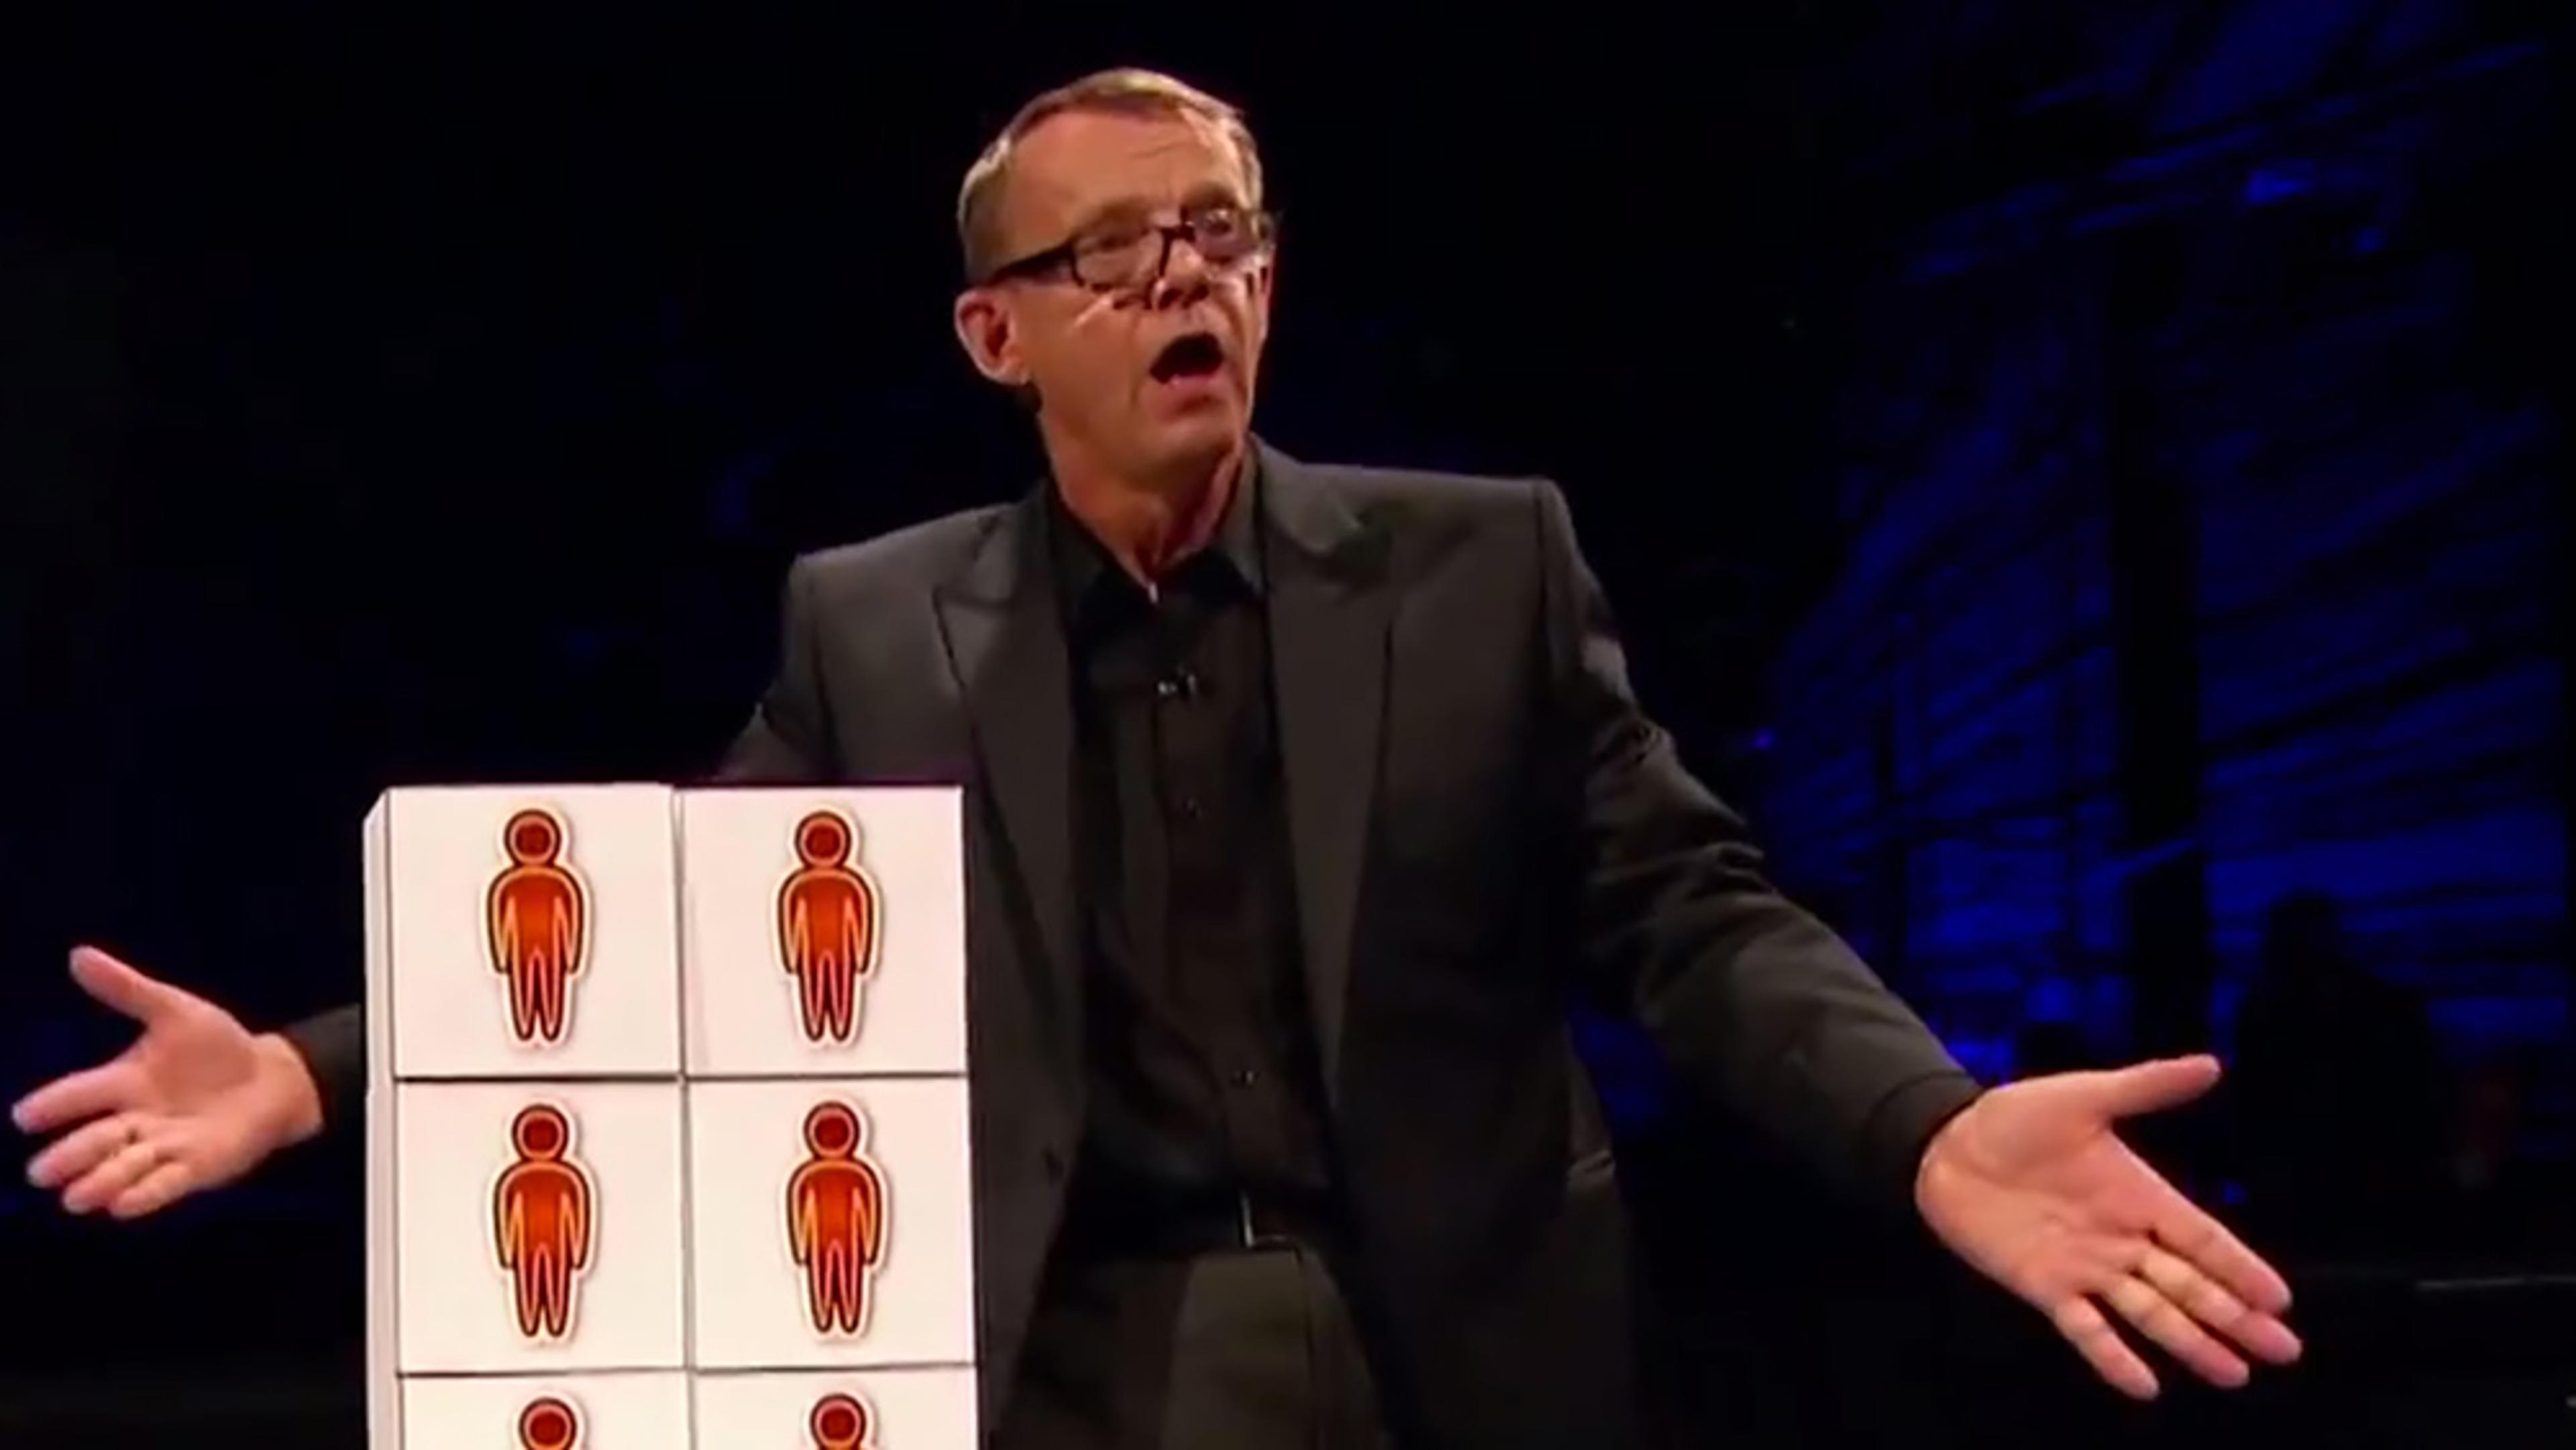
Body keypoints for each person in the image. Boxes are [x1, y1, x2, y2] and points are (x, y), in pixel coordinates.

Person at [11, 68, 2302, 1449]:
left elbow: (1693, 909)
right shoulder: (882, 621)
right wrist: (313, 1073)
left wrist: (1925, 1124)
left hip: (1443, 1328)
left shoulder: (1479, 566)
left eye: (1217, 232)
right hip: (1077, 1347)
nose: (1181, 277)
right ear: (997, 336)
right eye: (1111, 254)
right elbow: (663, 939)